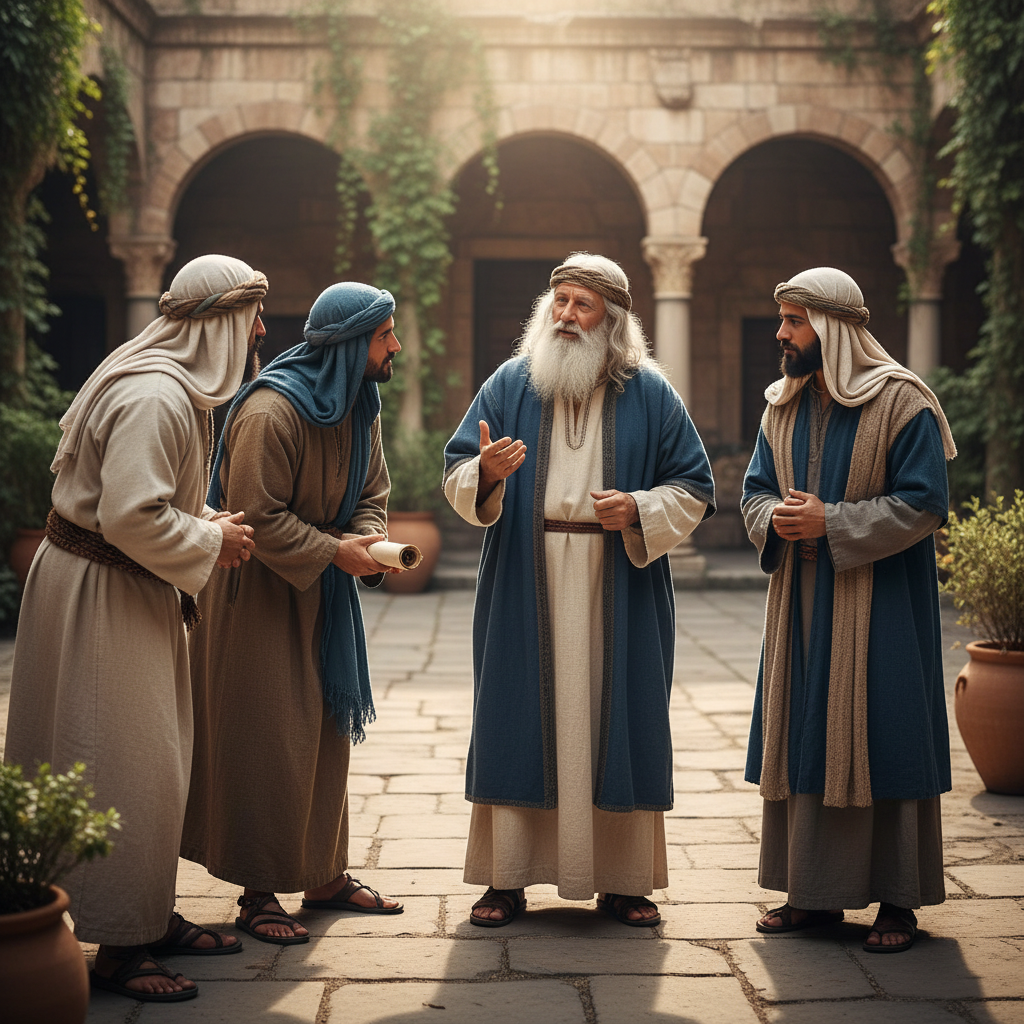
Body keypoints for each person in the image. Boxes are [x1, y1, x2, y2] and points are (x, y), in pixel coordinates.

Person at [4, 254, 265, 1001]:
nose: (260, 332)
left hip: (117, 584)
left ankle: (144, 915)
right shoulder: (155, 395)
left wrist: (203, 521)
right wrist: (214, 541)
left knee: (148, 762)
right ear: (218, 322)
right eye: (253, 317)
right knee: (125, 761)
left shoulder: (164, 384)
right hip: (104, 595)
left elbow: (134, 501)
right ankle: (121, 943)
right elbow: (130, 516)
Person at [443, 253, 715, 927]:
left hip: (616, 580)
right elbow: (455, 469)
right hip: (523, 580)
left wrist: (642, 510)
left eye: (581, 305)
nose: (565, 315)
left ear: (611, 321)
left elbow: (695, 486)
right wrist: (487, 473)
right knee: (515, 716)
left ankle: (624, 881)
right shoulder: (511, 382)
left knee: (616, 718)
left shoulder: (650, 392)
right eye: (559, 301)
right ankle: (506, 878)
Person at [742, 266, 957, 954]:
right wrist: (777, 519)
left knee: (884, 731)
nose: (781, 334)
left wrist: (832, 522)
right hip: (802, 608)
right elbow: (753, 494)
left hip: (882, 608)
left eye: (794, 321)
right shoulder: (782, 404)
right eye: (782, 319)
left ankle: (898, 901)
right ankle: (812, 894)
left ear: (833, 328)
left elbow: (924, 503)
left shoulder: (904, 403)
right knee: (807, 733)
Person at [181, 281, 403, 945]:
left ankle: (324, 875)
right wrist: (338, 551)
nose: (396, 345)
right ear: (349, 343)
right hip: (257, 598)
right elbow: (256, 517)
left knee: (322, 737)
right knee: (266, 738)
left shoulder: (363, 401)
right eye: (385, 335)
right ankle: (258, 891)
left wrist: (365, 539)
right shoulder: (271, 412)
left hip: (323, 593)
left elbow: (374, 489)